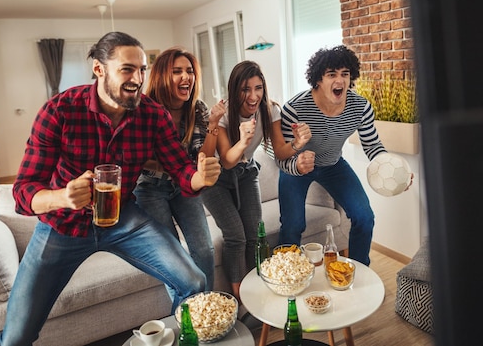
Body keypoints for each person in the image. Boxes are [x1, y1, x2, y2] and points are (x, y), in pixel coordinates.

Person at [0, 32, 222, 346]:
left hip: (122, 219)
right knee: (16, 337)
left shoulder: (152, 115)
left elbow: (180, 169)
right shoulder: (60, 110)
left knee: (194, 282)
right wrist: (63, 196)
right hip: (62, 227)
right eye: (127, 69)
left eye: (142, 70)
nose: (138, 79)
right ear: (99, 69)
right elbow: (22, 191)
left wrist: (200, 176)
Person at [277, 45, 411, 266]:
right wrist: (298, 165)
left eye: (345, 74)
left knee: (364, 217)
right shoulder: (295, 108)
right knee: (293, 225)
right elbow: (281, 156)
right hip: (297, 168)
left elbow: (372, 144)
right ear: (318, 79)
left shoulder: (361, 107)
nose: (339, 80)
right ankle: (288, 275)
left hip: (333, 165)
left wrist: (393, 169)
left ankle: (359, 271)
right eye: (331, 74)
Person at [201, 60, 311, 300]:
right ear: (234, 90)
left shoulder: (269, 110)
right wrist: (243, 141)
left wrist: (297, 145)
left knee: (255, 234)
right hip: (216, 180)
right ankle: (241, 299)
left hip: (247, 173)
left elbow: (280, 151)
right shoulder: (223, 114)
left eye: (258, 88)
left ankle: (257, 293)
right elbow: (228, 161)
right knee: (236, 236)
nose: (253, 96)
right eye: (245, 89)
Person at [133, 46, 226, 291]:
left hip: (185, 187)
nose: (186, 77)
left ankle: (207, 307)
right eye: (177, 71)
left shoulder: (198, 109)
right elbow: (139, 159)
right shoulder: (144, 109)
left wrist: (214, 125)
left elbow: (201, 159)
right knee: (172, 255)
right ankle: (186, 314)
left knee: (204, 250)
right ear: (163, 75)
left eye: (189, 71)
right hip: (150, 189)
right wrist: (178, 165)